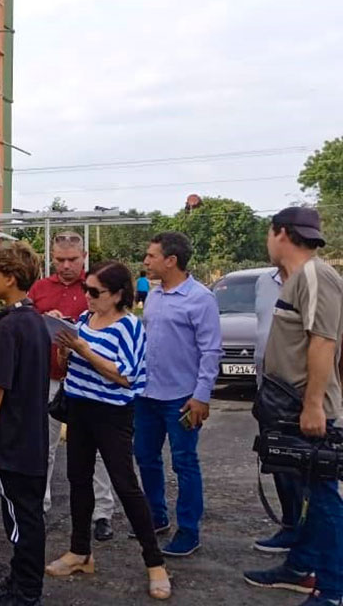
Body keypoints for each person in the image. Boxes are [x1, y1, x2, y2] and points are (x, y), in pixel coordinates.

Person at [46, 261, 170, 601]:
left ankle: (155, 563)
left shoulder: (130, 326)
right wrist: (65, 345)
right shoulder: (85, 320)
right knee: (78, 480)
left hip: (112, 414)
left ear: (117, 295)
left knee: (126, 486)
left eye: (95, 292)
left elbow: (126, 375)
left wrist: (84, 349)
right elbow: (73, 363)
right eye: (86, 289)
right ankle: (80, 552)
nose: (87, 296)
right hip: (79, 407)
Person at [244, 207, 343, 605]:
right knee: (304, 497)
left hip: (306, 408)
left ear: (280, 233)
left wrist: (315, 406)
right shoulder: (302, 277)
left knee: (321, 499)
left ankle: (333, 589)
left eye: (270, 234)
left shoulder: (316, 275)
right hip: (289, 407)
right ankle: (300, 567)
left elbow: (323, 341)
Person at [137, 231, 222, 557]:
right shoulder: (155, 295)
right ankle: (155, 518)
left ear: (171, 260)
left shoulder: (201, 298)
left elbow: (211, 351)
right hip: (147, 395)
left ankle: (189, 531)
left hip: (181, 399)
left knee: (185, 463)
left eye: (151, 255)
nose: (146, 261)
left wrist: (201, 396)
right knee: (145, 457)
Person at [27, 231, 116, 541]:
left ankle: (102, 512)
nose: (66, 266)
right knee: (45, 447)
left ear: (84, 258)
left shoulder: (97, 289)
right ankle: (40, 503)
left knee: (99, 452)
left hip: (90, 381)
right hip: (49, 379)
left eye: (72, 260)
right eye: (60, 260)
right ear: (52, 258)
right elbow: (25, 326)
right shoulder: (39, 289)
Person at [0, 242, 50, 606]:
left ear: (11, 277)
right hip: (33, 433)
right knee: (27, 512)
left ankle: (26, 589)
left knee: (21, 517)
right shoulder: (34, 320)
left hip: (15, 436)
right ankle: (21, 578)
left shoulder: (8, 328)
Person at [251, 265, 304, 554]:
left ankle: (308, 545)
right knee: (278, 461)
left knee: (305, 470)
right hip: (268, 390)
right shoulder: (264, 281)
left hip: (299, 394)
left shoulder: (315, 281)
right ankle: (290, 527)